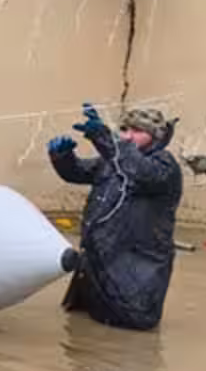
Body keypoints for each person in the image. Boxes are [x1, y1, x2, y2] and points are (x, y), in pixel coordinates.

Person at [47, 104, 182, 331]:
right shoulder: (114, 160)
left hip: (136, 273)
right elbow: (78, 172)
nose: (128, 136)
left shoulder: (164, 166)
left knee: (128, 337)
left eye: (137, 131)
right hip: (97, 266)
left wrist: (104, 138)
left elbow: (139, 171)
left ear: (155, 135)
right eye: (124, 129)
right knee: (81, 338)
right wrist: (62, 157)